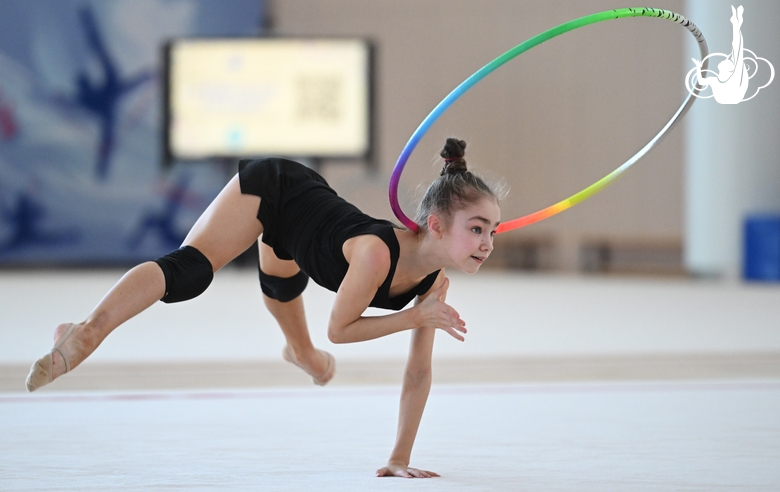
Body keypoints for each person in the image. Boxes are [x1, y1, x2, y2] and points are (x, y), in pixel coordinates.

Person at [25, 137, 502, 479]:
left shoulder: (433, 284)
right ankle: (87, 330)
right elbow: (341, 327)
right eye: (476, 228)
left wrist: (399, 458)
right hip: (276, 191)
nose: (487, 243)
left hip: (299, 238)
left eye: (493, 231)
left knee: (287, 298)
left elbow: (418, 372)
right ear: (436, 226)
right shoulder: (378, 253)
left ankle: (302, 355)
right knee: (191, 271)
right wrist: (413, 318)